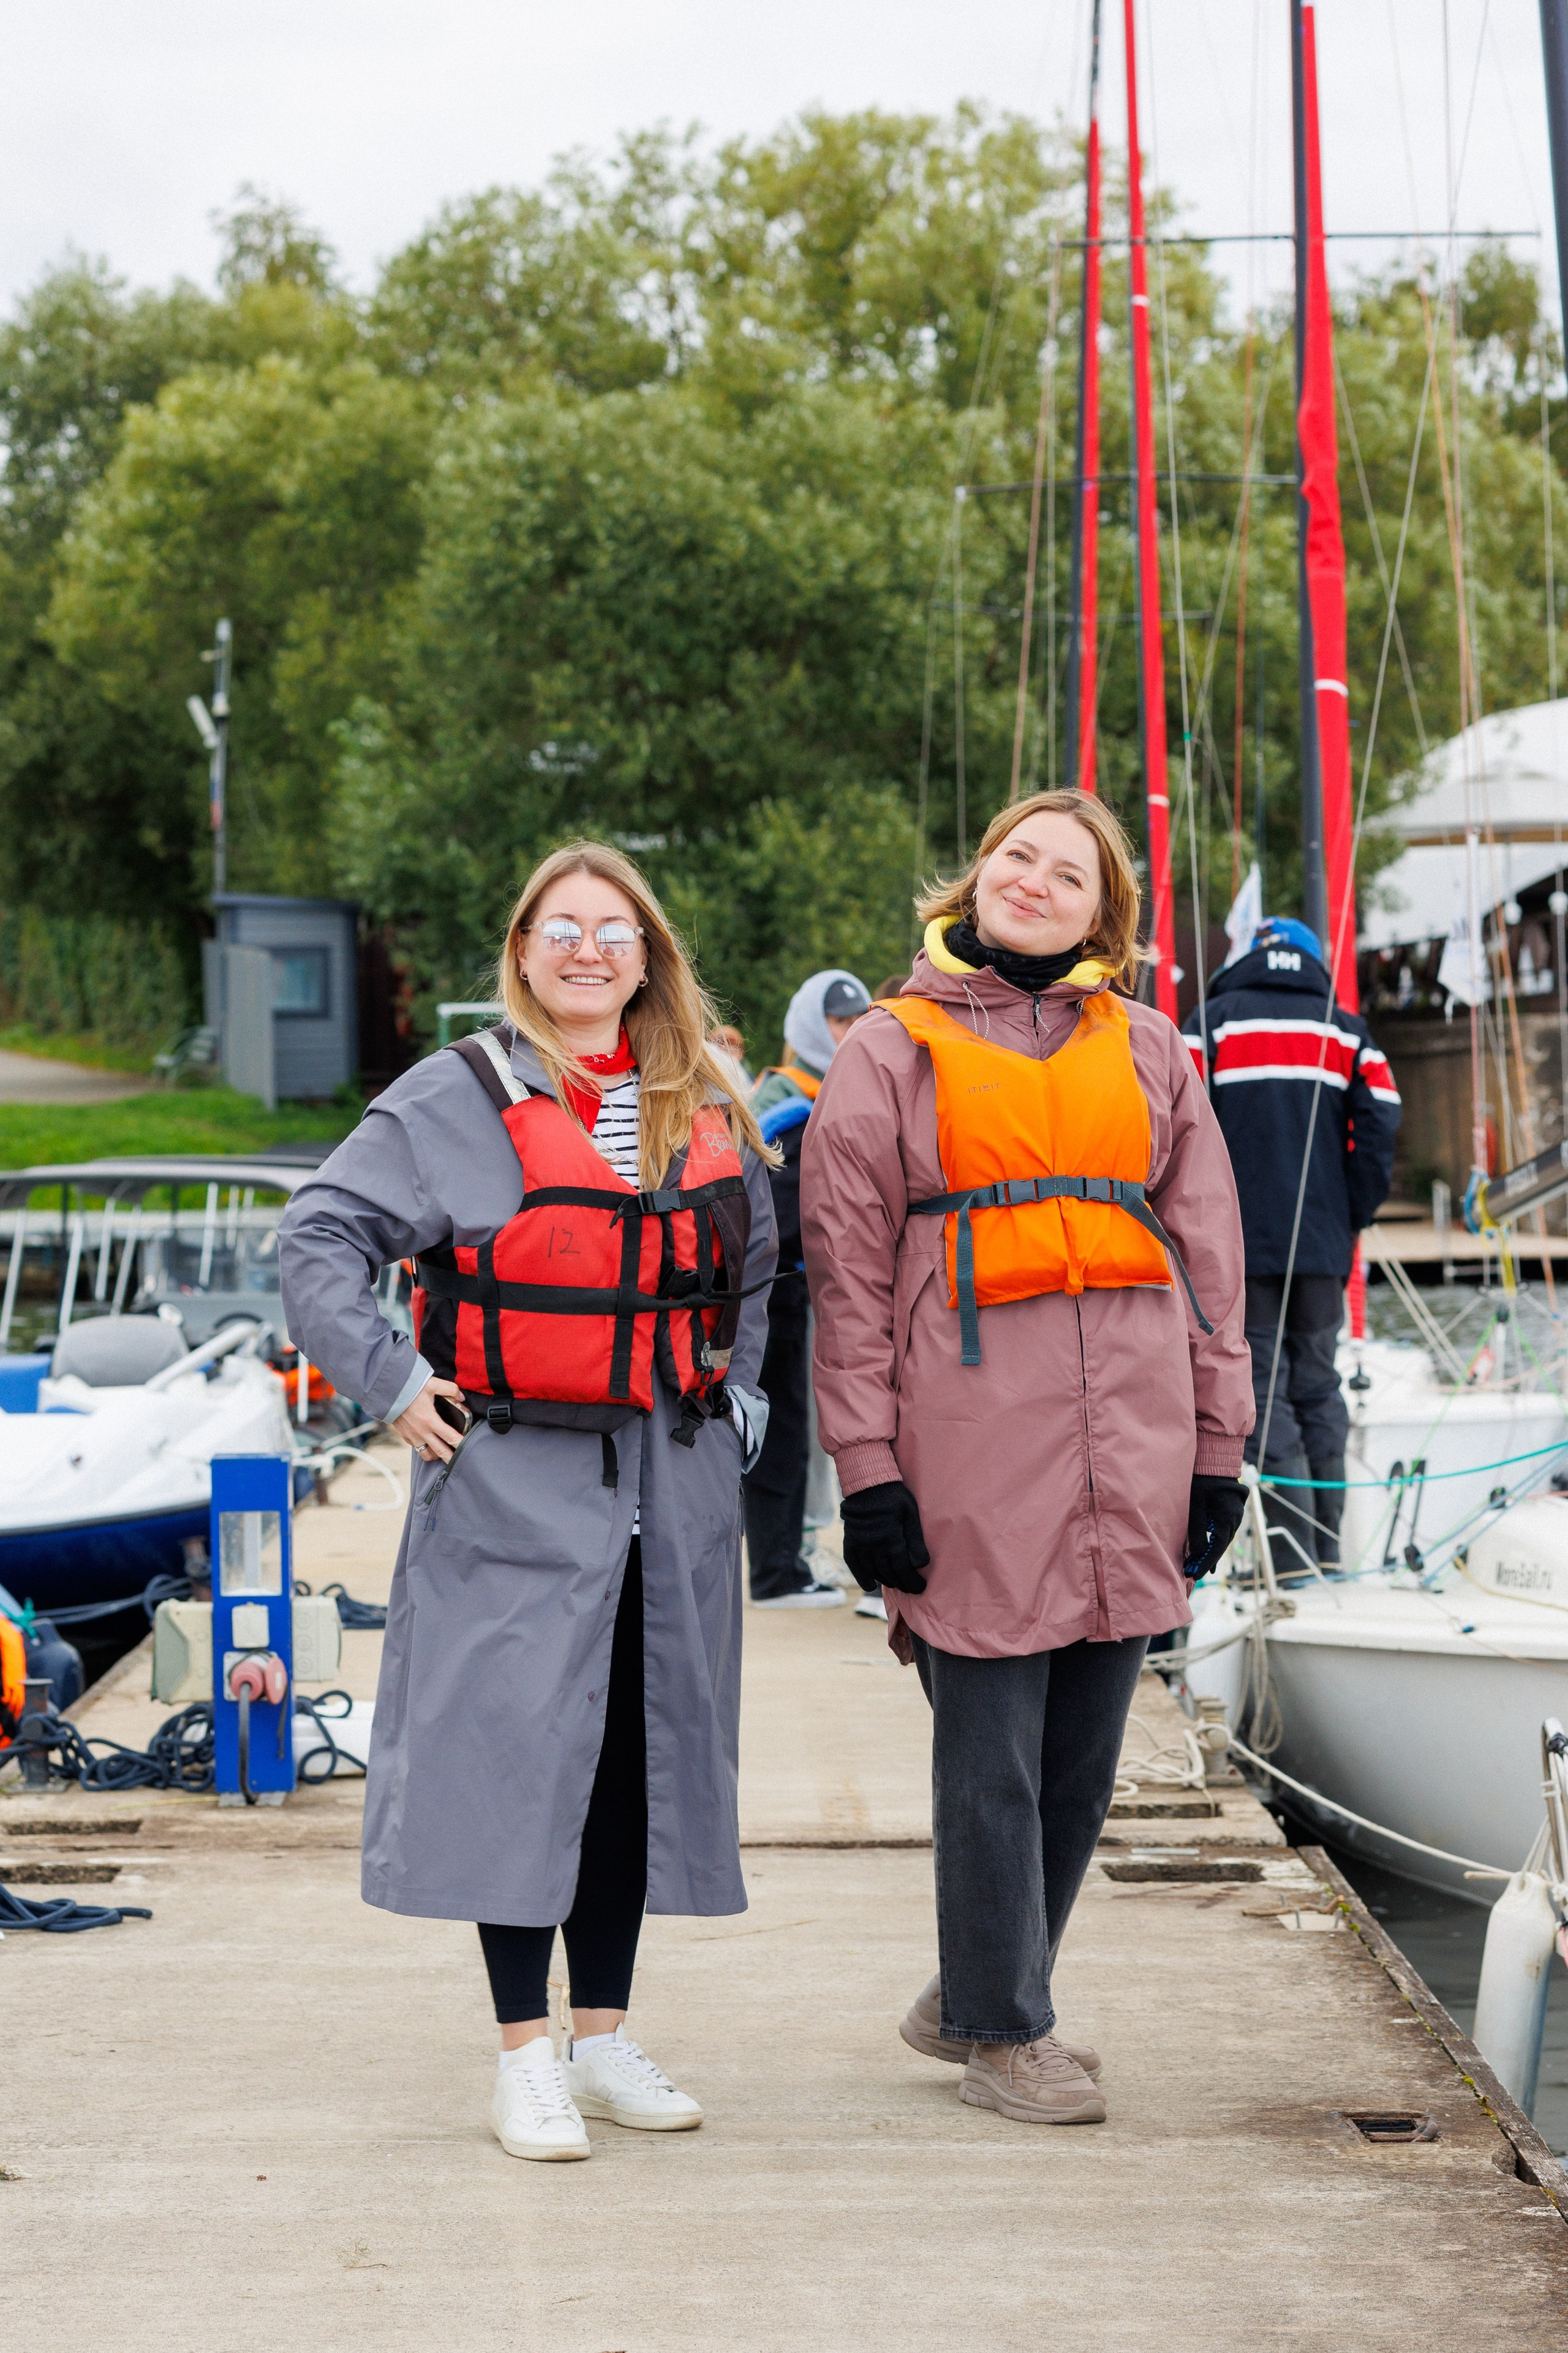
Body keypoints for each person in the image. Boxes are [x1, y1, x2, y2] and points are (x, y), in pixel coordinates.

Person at [278, 842, 778, 2164]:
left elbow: (758, 1263)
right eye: (561, 928)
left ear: (647, 954)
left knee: (630, 1762)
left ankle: (602, 2040)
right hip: (508, 1486)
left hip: (665, 1494)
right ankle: (522, 2059)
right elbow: (318, 1237)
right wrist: (389, 1379)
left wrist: (745, 1404)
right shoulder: (450, 1098)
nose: (586, 950)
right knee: (515, 1765)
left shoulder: (700, 1094)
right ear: (521, 949)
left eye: (612, 930)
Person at [802, 789, 1253, 2128]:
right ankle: (1003, 2028)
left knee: (1082, 1751)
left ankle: (977, 1990)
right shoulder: (890, 1051)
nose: (1034, 881)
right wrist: (866, 1471)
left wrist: (1218, 1448)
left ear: (1103, 911)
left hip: (1135, 1442)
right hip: (968, 1449)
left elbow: (1212, 1265)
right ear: (973, 879)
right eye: (1015, 857)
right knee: (988, 1753)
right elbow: (843, 1284)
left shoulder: (1155, 1050)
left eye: (1067, 871)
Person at [1182, 915, 1401, 1577]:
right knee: (1317, 1384)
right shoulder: (1346, 1029)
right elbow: (1383, 1118)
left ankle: (1292, 1558)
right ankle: (1325, 1552)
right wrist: (1350, 1214)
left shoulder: (1209, 1022)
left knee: (1260, 1387)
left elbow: (1171, 1118)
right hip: (1323, 1243)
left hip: (1235, 1245)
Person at [743, 970, 872, 1607]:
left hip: (780, 1292)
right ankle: (776, 1573)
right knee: (780, 1429)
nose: (850, 1032)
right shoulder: (793, 1107)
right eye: (838, 1021)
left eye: (857, 1020)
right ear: (806, 1027)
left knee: (785, 1428)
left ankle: (785, 1560)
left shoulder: (787, 1094)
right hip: (770, 1295)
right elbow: (782, 1221)